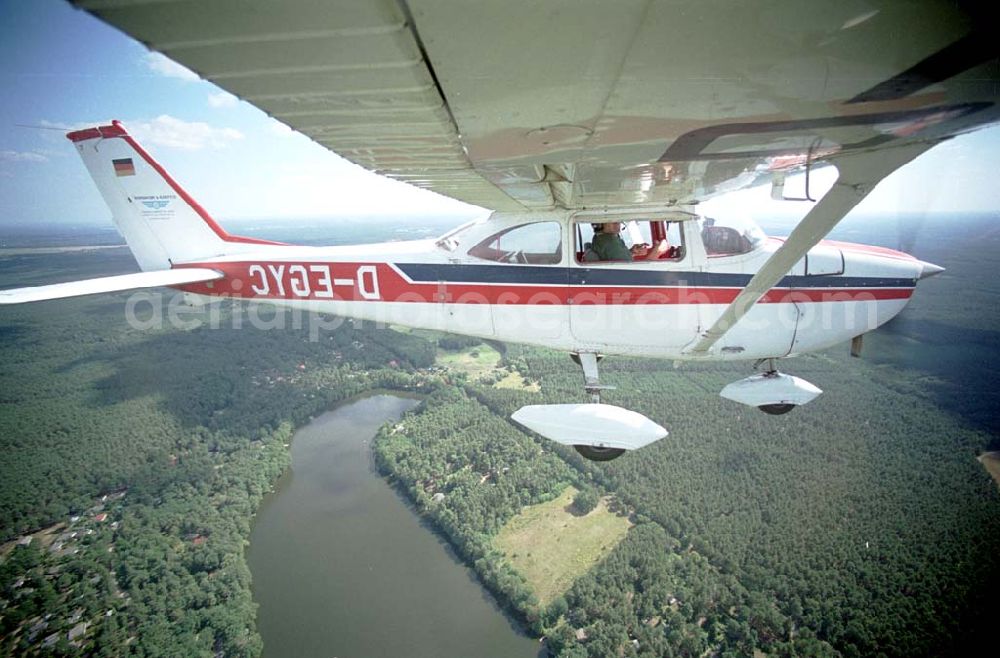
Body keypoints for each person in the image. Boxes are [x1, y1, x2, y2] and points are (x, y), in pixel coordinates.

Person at [589, 222, 667, 261]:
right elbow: (635, 274)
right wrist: (658, 251)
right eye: (611, 220)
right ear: (600, 224)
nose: (617, 222)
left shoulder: (600, 238)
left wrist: (631, 252)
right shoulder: (610, 242)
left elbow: (615, 259)